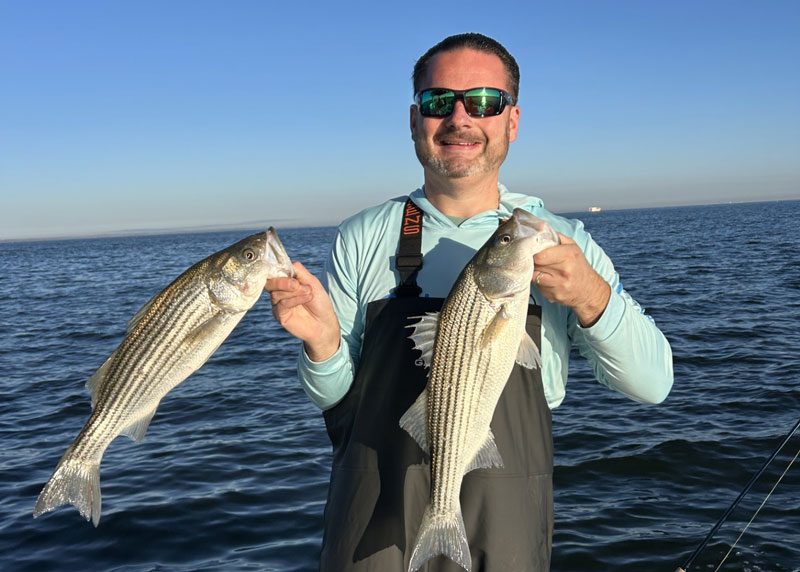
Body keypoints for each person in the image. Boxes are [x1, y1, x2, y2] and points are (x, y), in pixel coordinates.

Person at [266, 33, 673, 572]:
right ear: (415, 121)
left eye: (484, 101)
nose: (460, 118)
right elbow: (334, 397)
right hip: (370, 506)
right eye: (439, 102)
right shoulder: (364, 234)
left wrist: (591, 296)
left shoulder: (562, 240)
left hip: (508, 517)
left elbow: (653, 384)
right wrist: (321, 345)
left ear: (512, 120)